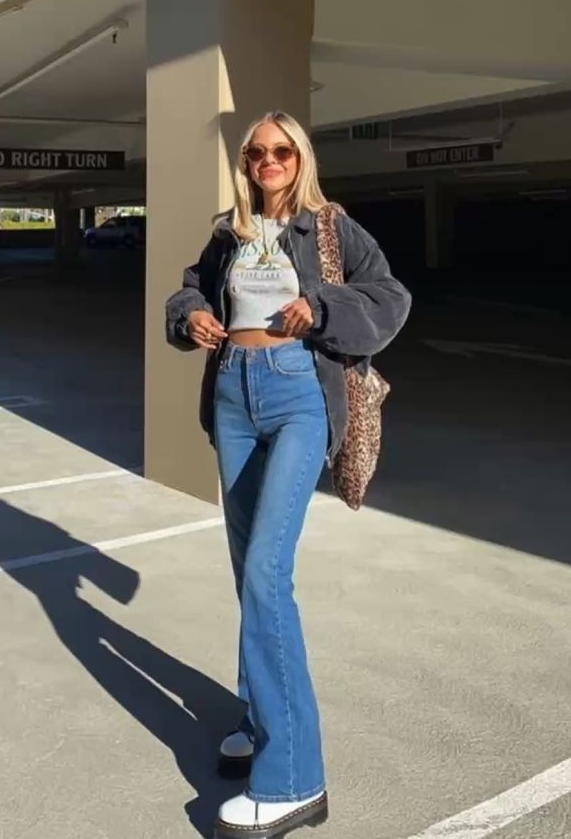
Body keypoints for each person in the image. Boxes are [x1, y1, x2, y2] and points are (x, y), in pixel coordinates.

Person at [166, 111, 411, 839]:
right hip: (235, 392)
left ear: (299, 157)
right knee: (248, 570)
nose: (267, 160)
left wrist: (322, 306)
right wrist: (193, 318)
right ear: (245, 163)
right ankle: (258, 714)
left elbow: (390, 296)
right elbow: (190, 289)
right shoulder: (228, 231)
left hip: (298, 391)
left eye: (280, 150)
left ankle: (295, 776)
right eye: (255, 152)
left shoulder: (329, 226)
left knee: (269, 571)